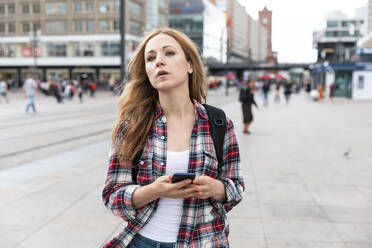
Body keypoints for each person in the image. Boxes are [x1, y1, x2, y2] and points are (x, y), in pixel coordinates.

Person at [102, 28, 244, 248]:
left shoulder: (218, 123)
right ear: (147, 72)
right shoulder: (131, 127)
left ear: (189, 65)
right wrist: (154, 190)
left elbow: (236, 187)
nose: (159, 61)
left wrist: (215, 188)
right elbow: (112, 197)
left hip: (203, 242)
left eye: (169, 53)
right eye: (151, 58)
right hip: (142, 241)